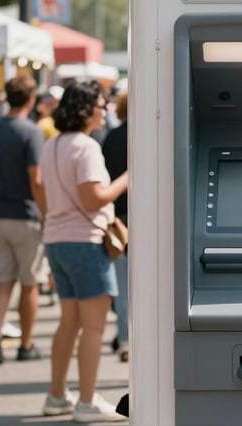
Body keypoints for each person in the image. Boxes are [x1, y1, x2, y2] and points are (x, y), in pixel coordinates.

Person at [40, 81, 128, 422]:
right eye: (100, 105)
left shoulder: (53, 145)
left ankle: (57, 394)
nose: (104, 110)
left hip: (57, 238)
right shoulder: (87, 147)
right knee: (93, 328)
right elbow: (94, 198)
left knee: (69, 324)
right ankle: (87, 400)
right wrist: (126, 179)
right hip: (87, 242)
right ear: (86, 110)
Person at [0, 75, 46, 364]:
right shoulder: (31, 132)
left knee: (2, 280)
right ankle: (26, 343)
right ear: (31, 99)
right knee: (30, 283)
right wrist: (47, 212)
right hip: (26, 213)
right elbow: (36, 179)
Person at [101, 91, 129, 362]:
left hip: (118, 219)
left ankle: (125, 339)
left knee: (122, 286)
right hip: (151, 219)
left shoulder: (111, 137)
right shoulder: (152, 135)